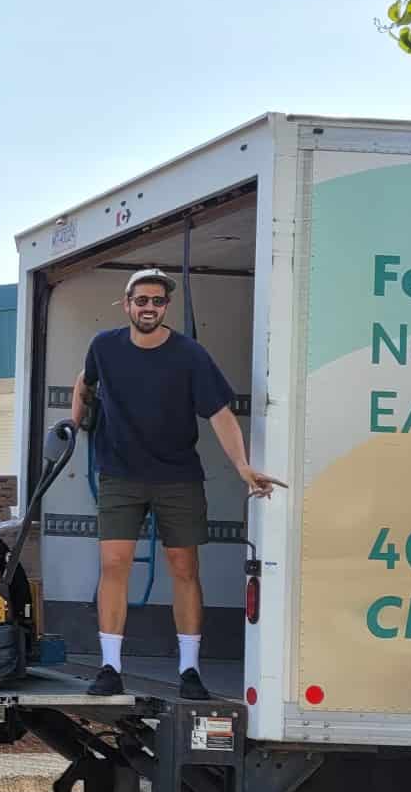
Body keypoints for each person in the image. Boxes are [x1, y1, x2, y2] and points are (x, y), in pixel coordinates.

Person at [68, 267, 284, 699]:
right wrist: (72, 427)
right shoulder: (104, 346)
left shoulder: (190, 354)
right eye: (141, 300)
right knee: (113, 566)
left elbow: (221, 414)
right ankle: (110, 668)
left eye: (157, 301)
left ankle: (190, 671)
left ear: (166, 307)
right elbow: (84, 382)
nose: (149, 308)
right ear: (126, 303)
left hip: (177, 478)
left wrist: (243, 466)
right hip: (120, 476)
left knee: (185, 570)